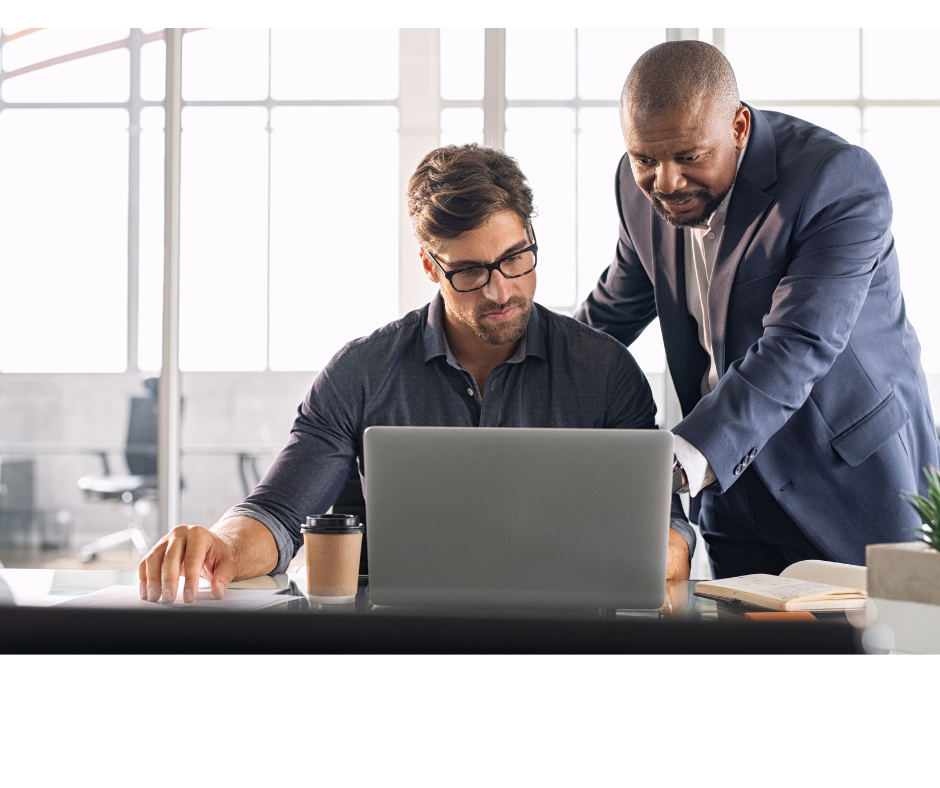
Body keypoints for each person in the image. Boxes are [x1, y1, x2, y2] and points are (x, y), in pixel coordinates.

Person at [139, 143, 695, 604]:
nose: (502, 290)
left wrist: (655, 546)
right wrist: (222, 546)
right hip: (397, 638)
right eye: (471, 272)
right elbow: (279, 512)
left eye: (515, 258)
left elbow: (671, 539)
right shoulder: (362, 371)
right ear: (431, 266)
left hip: (560, 638)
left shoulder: (605, 371)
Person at [576, 40, 940, 577]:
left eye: (689, 157)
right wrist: (521, 372)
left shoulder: (837, 180)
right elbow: (607, 318)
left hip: (847, 477)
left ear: (740, 128)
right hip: (730, 485)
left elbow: (798, 344)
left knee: (872, 652)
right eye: (645, 159)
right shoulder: (638, 192)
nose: (667, 182)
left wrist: (679, 461)